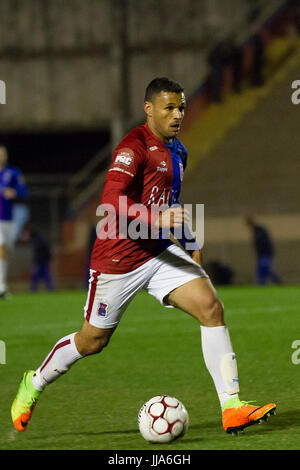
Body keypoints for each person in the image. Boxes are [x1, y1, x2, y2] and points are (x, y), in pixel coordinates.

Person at [11, 78, 276, 435]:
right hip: (117, 259)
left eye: (181, 107)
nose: (178, 114)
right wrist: (156, 219)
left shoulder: (179, 152)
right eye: (169, 107)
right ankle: (35, 381)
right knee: (93, 340)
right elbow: (110, 200)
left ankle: (232, 406)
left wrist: (188, 240)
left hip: (159, 252)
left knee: (211, 307)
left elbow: (172, 203)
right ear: (149, 109)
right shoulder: (132, 147)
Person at [0, 145, 28, 299]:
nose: (1, 156)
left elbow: (24, 191)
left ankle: (2, 283)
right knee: (1, 248)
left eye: (3, 154)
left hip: (8, 219)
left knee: (6, 252)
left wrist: (15, 192)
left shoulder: (13, 173)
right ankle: (1, 287)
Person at [246, 216, 280, 285]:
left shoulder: (260, 230)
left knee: (266, 270)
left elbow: (265, 243)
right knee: (261, 272)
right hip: (261, 255)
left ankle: (276, 282)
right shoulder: (256, 231)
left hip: (265, 254)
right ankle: (262, 284)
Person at [29, 225, 54, 292]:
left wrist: (47, 258)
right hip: (42, 261)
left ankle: (34, 290)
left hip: (41, 262)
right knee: (46, 277)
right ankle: (50, 289)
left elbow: (44, 251)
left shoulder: (38, 239)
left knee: (38, 277)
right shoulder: (39, 238)